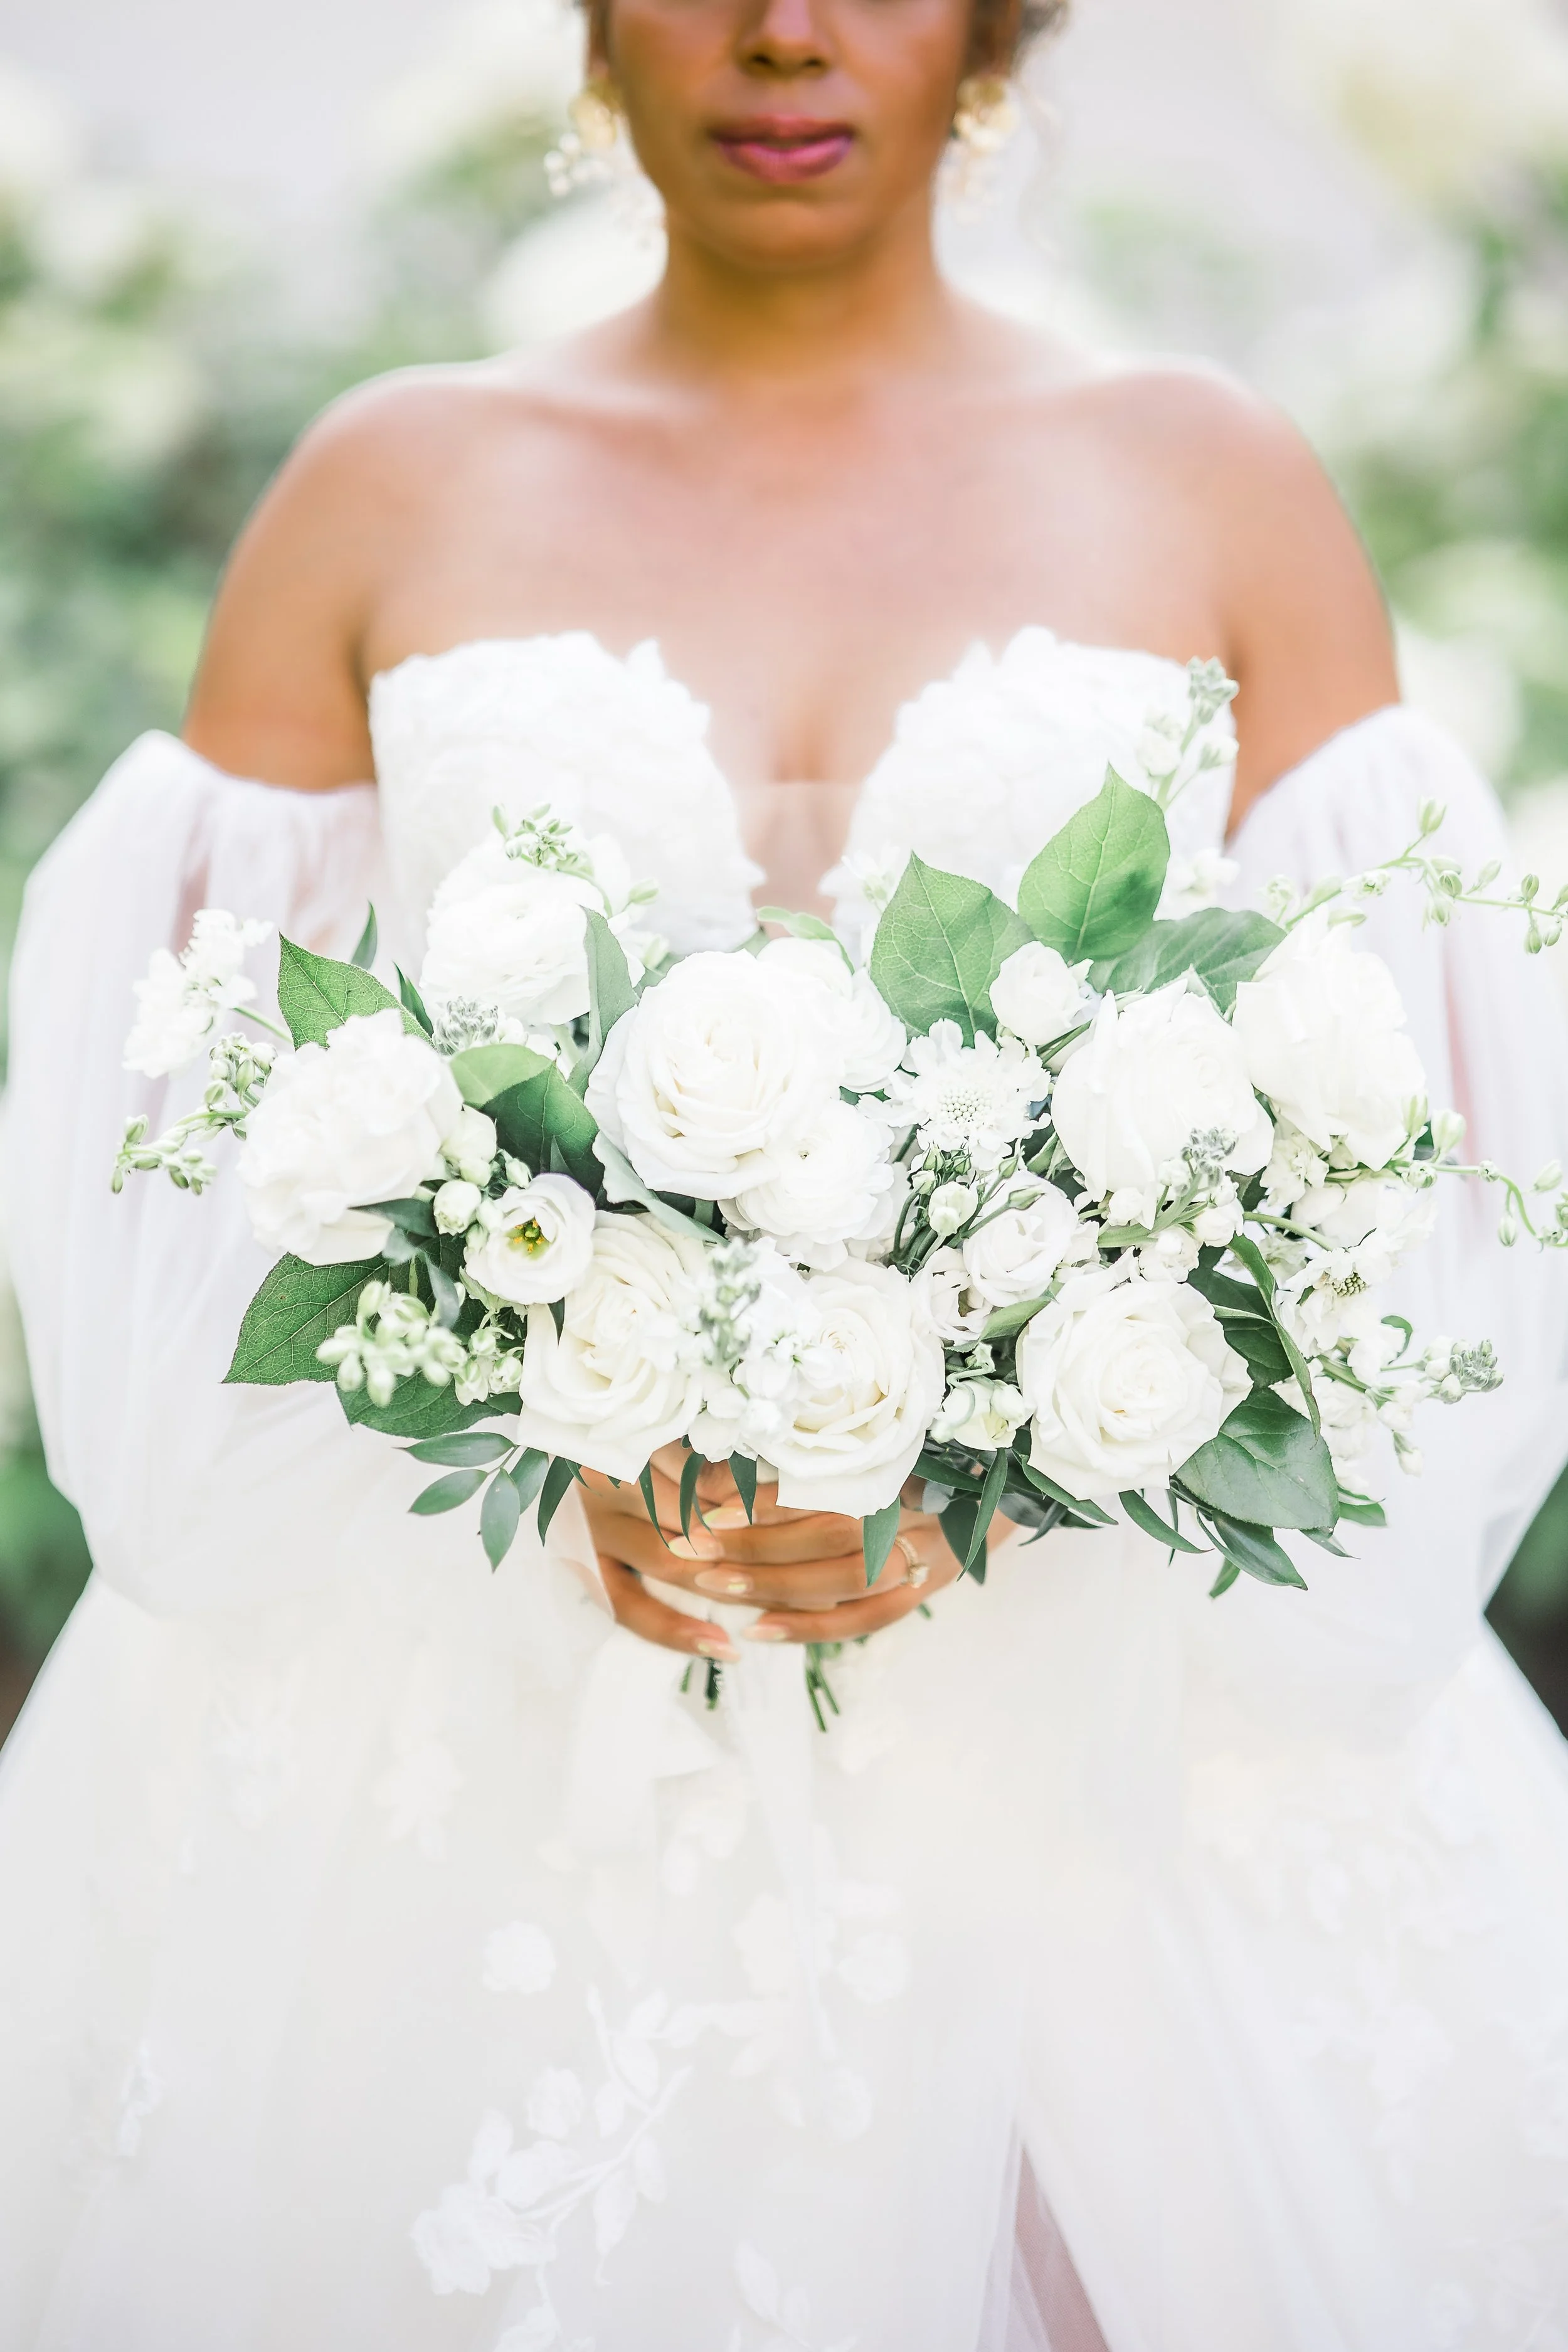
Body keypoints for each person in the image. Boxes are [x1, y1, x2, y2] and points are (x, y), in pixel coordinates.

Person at [3, 2, 1567, 2345]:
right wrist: (536, 1413)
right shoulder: (386, 486)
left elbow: (1398, 1158)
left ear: (1000, 25)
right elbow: (186, 1137)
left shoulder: (1211, 478)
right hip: (459, 1755)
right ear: (594, 23)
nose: (783, 31)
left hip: (1118, 1752)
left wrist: (1046, 1443)